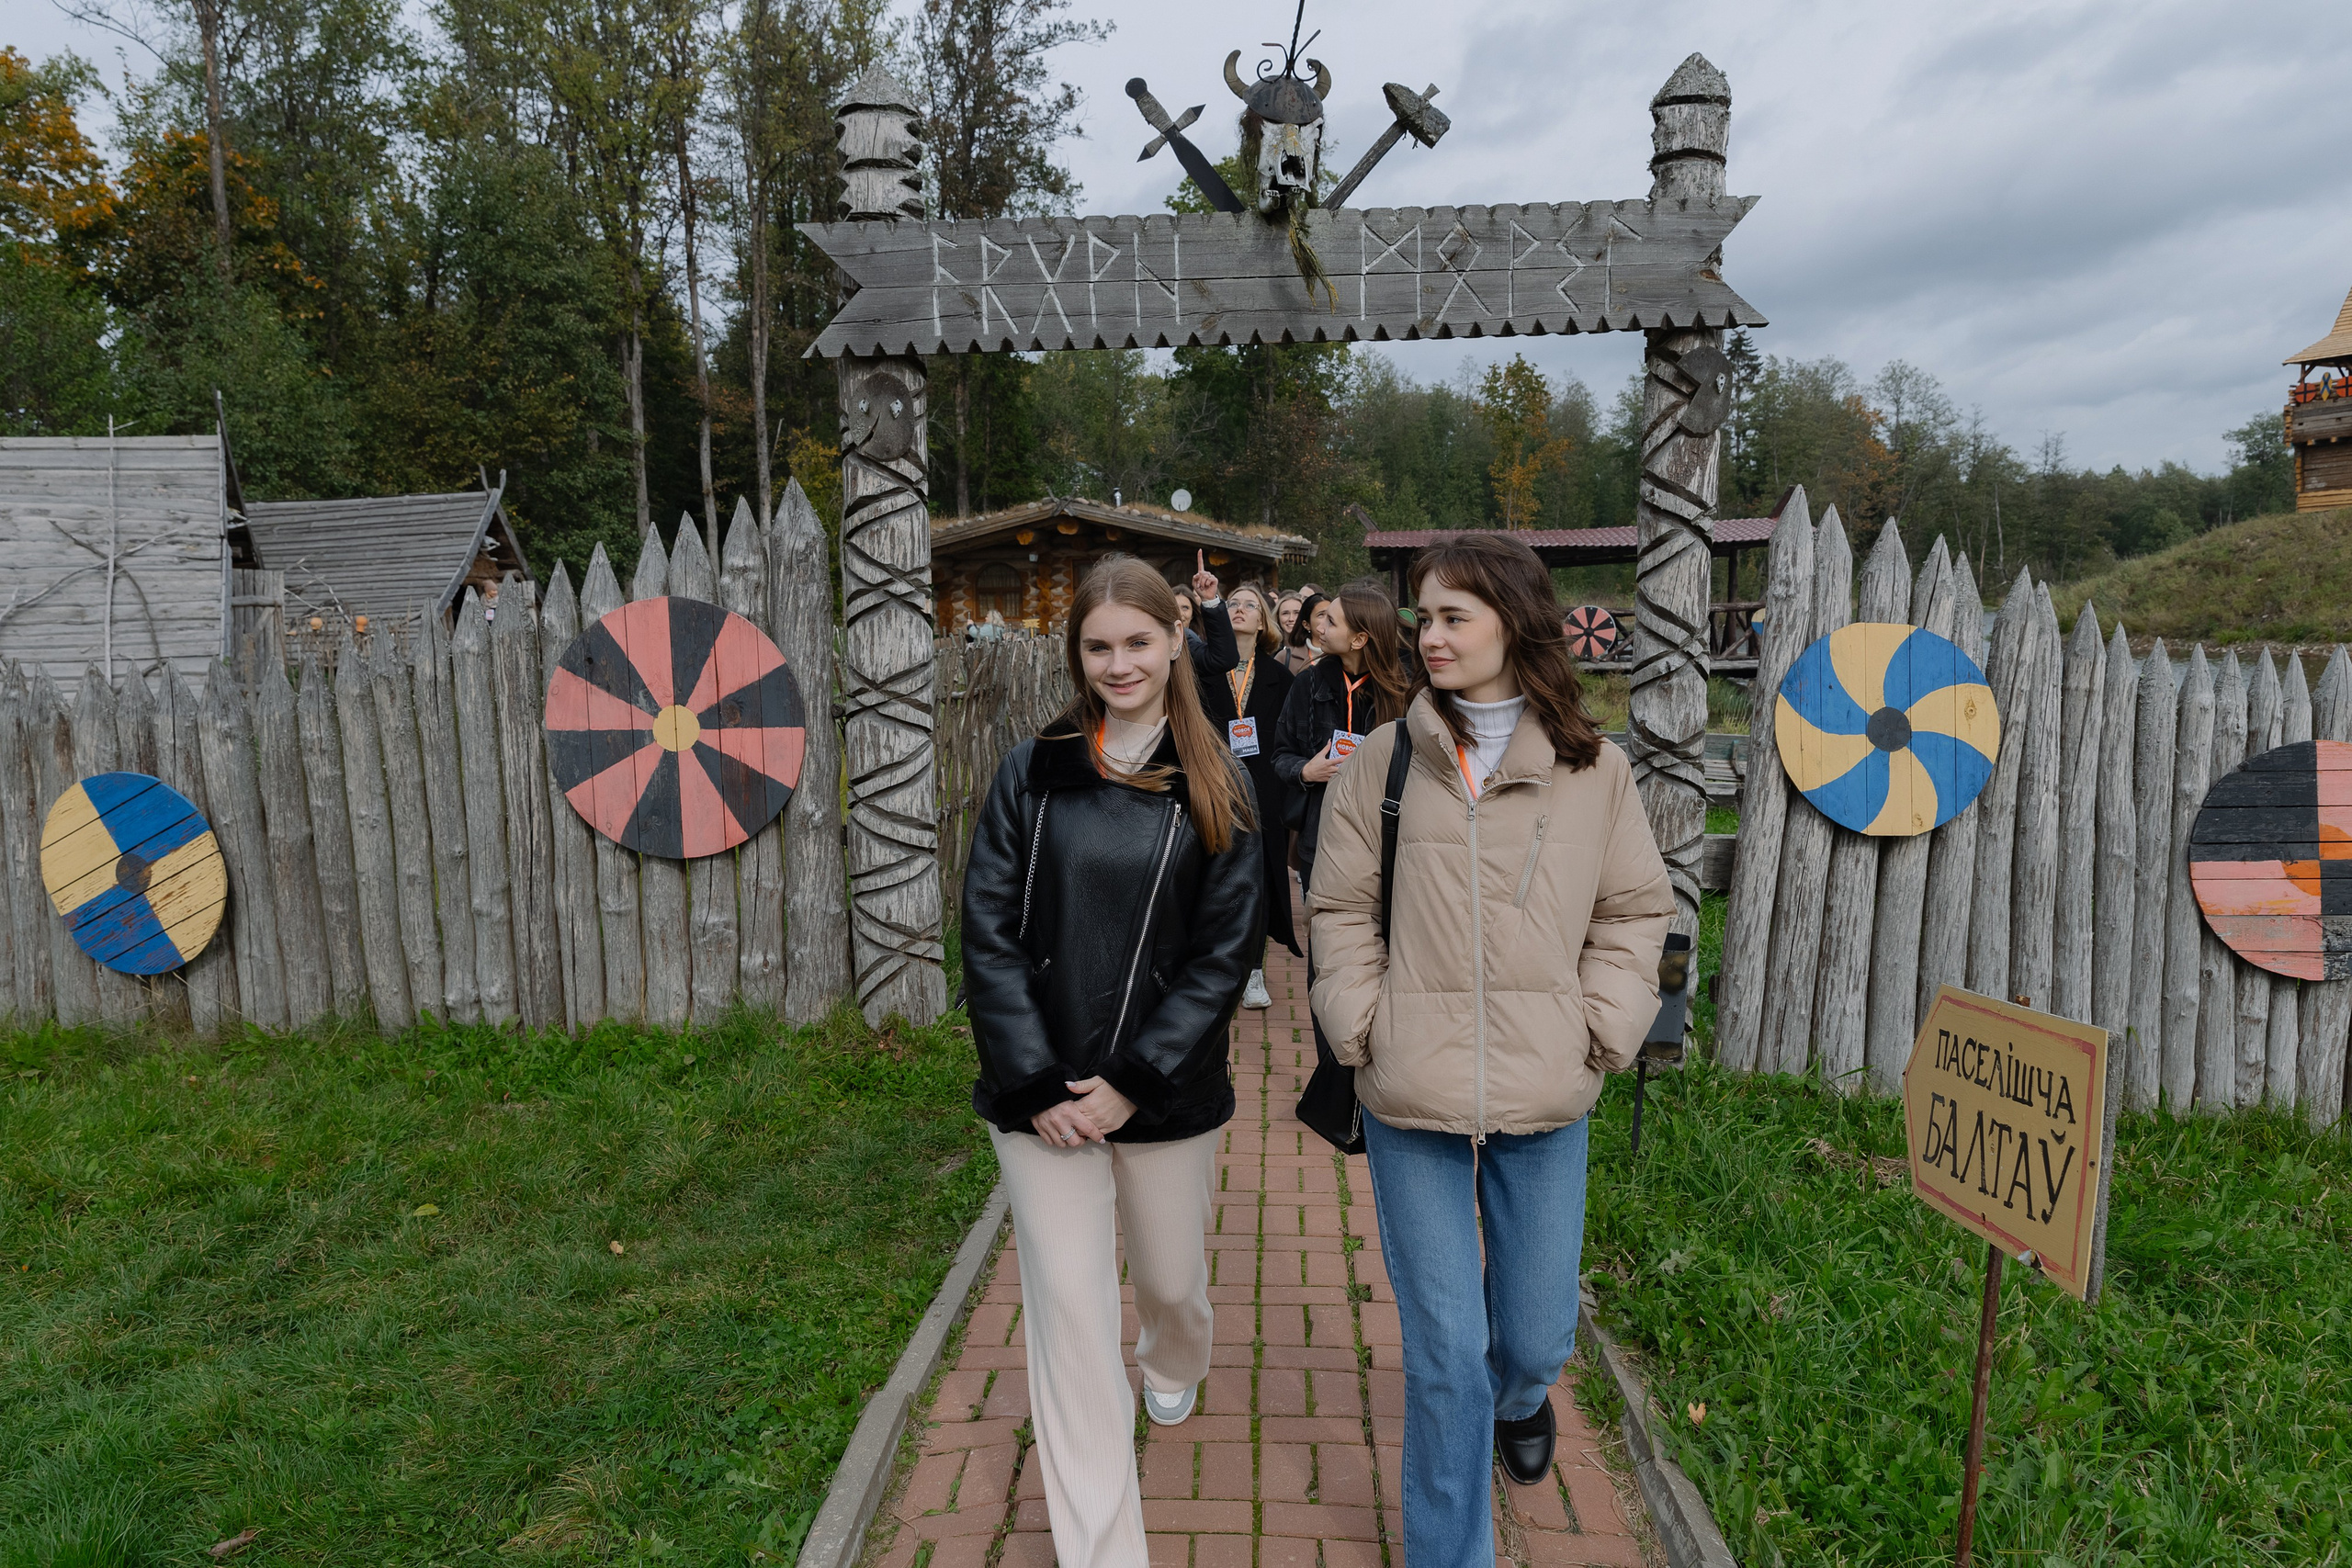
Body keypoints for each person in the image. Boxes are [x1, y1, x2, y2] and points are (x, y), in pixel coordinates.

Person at [1306, 533, 1671, 1568]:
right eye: (1423, 617)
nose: (1430, 636)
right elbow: (1335, 907)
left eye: (1453, 616)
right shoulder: (1384, 760)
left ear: (1515, 620)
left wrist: (1600, 1026)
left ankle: (1525, 1398)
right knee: (1444, 1356)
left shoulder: (1595, 772)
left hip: (1547, 1087)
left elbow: (1635, 911)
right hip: (1407, 1086)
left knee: (1533, 1337)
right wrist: (1360, 1023)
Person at [959, 556, 1267, 1568]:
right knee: (1070, 1320)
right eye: (1099, 646)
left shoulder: (1217, 775)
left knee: (1171, 1286)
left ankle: (1173, 1356)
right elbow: (988, 933)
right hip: (1041, 1099)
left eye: (1138, 641)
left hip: (1163, 1095)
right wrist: (1037, 1082)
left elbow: (1226, 953)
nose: (1119, 662)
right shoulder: (1032, 771)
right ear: (1076, 655)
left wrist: (1135, 1077)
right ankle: (1102, 1548)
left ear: (1176, 640)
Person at [1270, 582, 1412, 896]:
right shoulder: (1307, 682)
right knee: (1322, 936)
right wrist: (1305, 771)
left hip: (1383, 840)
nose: (1319, 626)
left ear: (1359, 639)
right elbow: (1280, 753)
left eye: (1331, 621)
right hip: (1320, 838)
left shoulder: (1405, 692)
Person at [1200, 581, 1298, 1003]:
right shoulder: (1203, 668)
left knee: (1258, 879)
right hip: (1214, 785)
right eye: (1232, 603)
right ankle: (1216, 965)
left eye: (1249, 605)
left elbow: (1288, 740)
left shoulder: (1281, 677)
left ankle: (1254, 970)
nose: (1239, 609)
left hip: (1264, 792)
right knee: (1214, 877)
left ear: (1263, 622)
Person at [1276, 590, 1320, 676]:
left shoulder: (1315, 649)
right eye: (1285, 613)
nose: (1291, 618)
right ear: (1277, 617)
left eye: (1297, 613)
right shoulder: (1270, 651)